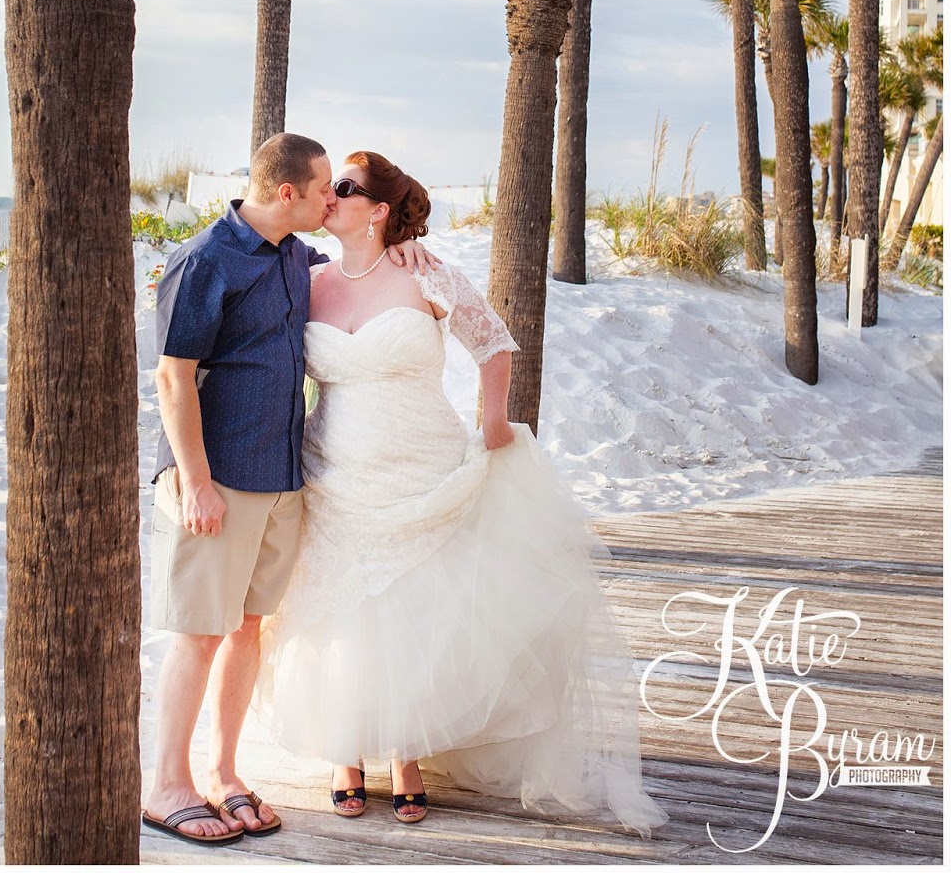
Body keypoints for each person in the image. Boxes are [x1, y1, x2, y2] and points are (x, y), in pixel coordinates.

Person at [254, 150, 669, 838]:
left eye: (346, 189)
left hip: (422, 465)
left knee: (412, 609)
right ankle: (345, 754)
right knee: (338, 608)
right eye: (329, 188)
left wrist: (496, 420)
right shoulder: (309, 277)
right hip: (334, 467)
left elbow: (494, 344)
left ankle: (405, 753)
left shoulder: (427, 274)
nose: (330, 197)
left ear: (379, 209)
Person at [141, 132, 433, 846]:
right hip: (217, 480)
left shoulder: (295, 257)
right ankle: (166, 786)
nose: (332, 198)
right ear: (286, 194)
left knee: (247, 631)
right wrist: (197, 483)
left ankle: (223, 773)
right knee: (199, 632)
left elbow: (361, 270)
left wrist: (404, 248)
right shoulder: (205, 260)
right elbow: (173, 377)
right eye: (325, 188)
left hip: (280, 476)